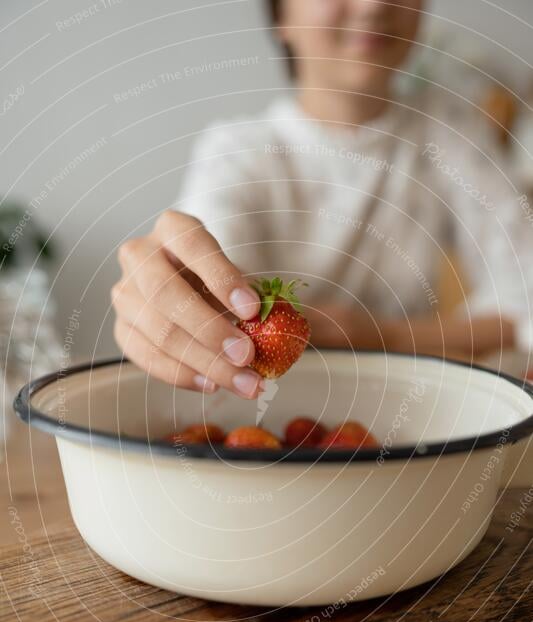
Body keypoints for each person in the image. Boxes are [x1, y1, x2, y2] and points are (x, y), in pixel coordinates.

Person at [111, 0, 532, 399]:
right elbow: (211, 279)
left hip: (408, 413)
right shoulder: (237, 151)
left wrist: (382, 336)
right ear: (281, 17)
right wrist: (180, 296)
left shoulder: (451, 133)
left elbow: (525, 294)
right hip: (266, 417)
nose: (374, 6)